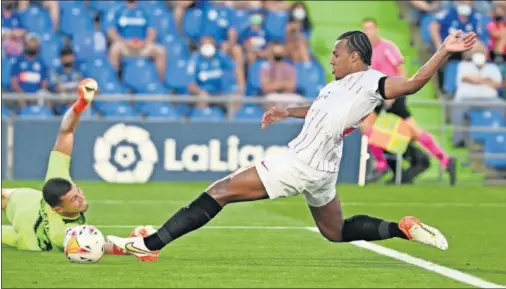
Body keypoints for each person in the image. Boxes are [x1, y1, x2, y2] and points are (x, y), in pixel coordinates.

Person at [107, 29, 477, 260]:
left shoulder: (370, 81)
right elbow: (320, 108)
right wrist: (287, 111)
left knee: (220, 191)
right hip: (322, 171)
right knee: (335, 232)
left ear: (354, 56)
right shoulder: (335, 86)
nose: (331, 58)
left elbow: (411, 84)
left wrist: (444, 50)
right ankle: (403, 228)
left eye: (336, 53)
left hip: (301, 163)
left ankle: (150, 244)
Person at [1, 79, 159, 262]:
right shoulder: (61, 233)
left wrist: (81, 104)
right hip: (28, 221)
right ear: (58, 208)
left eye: (77, 191)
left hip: (25, 222)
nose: (81, 196)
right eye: (74, 198)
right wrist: (137, 246)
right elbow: (99, 247)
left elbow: (66, 131)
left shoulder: (58, 180)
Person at [360, 18, 457, 185]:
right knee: (366, 127)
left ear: (377, 30)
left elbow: (400, 67)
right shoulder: (365, 53)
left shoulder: (387, 48)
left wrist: (399, 90)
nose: (368, 32)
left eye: (370, 29)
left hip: (393, 93)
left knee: (414, 131)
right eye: (365, 29)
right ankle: (381, 163)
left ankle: (445, 160)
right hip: (378, 95)